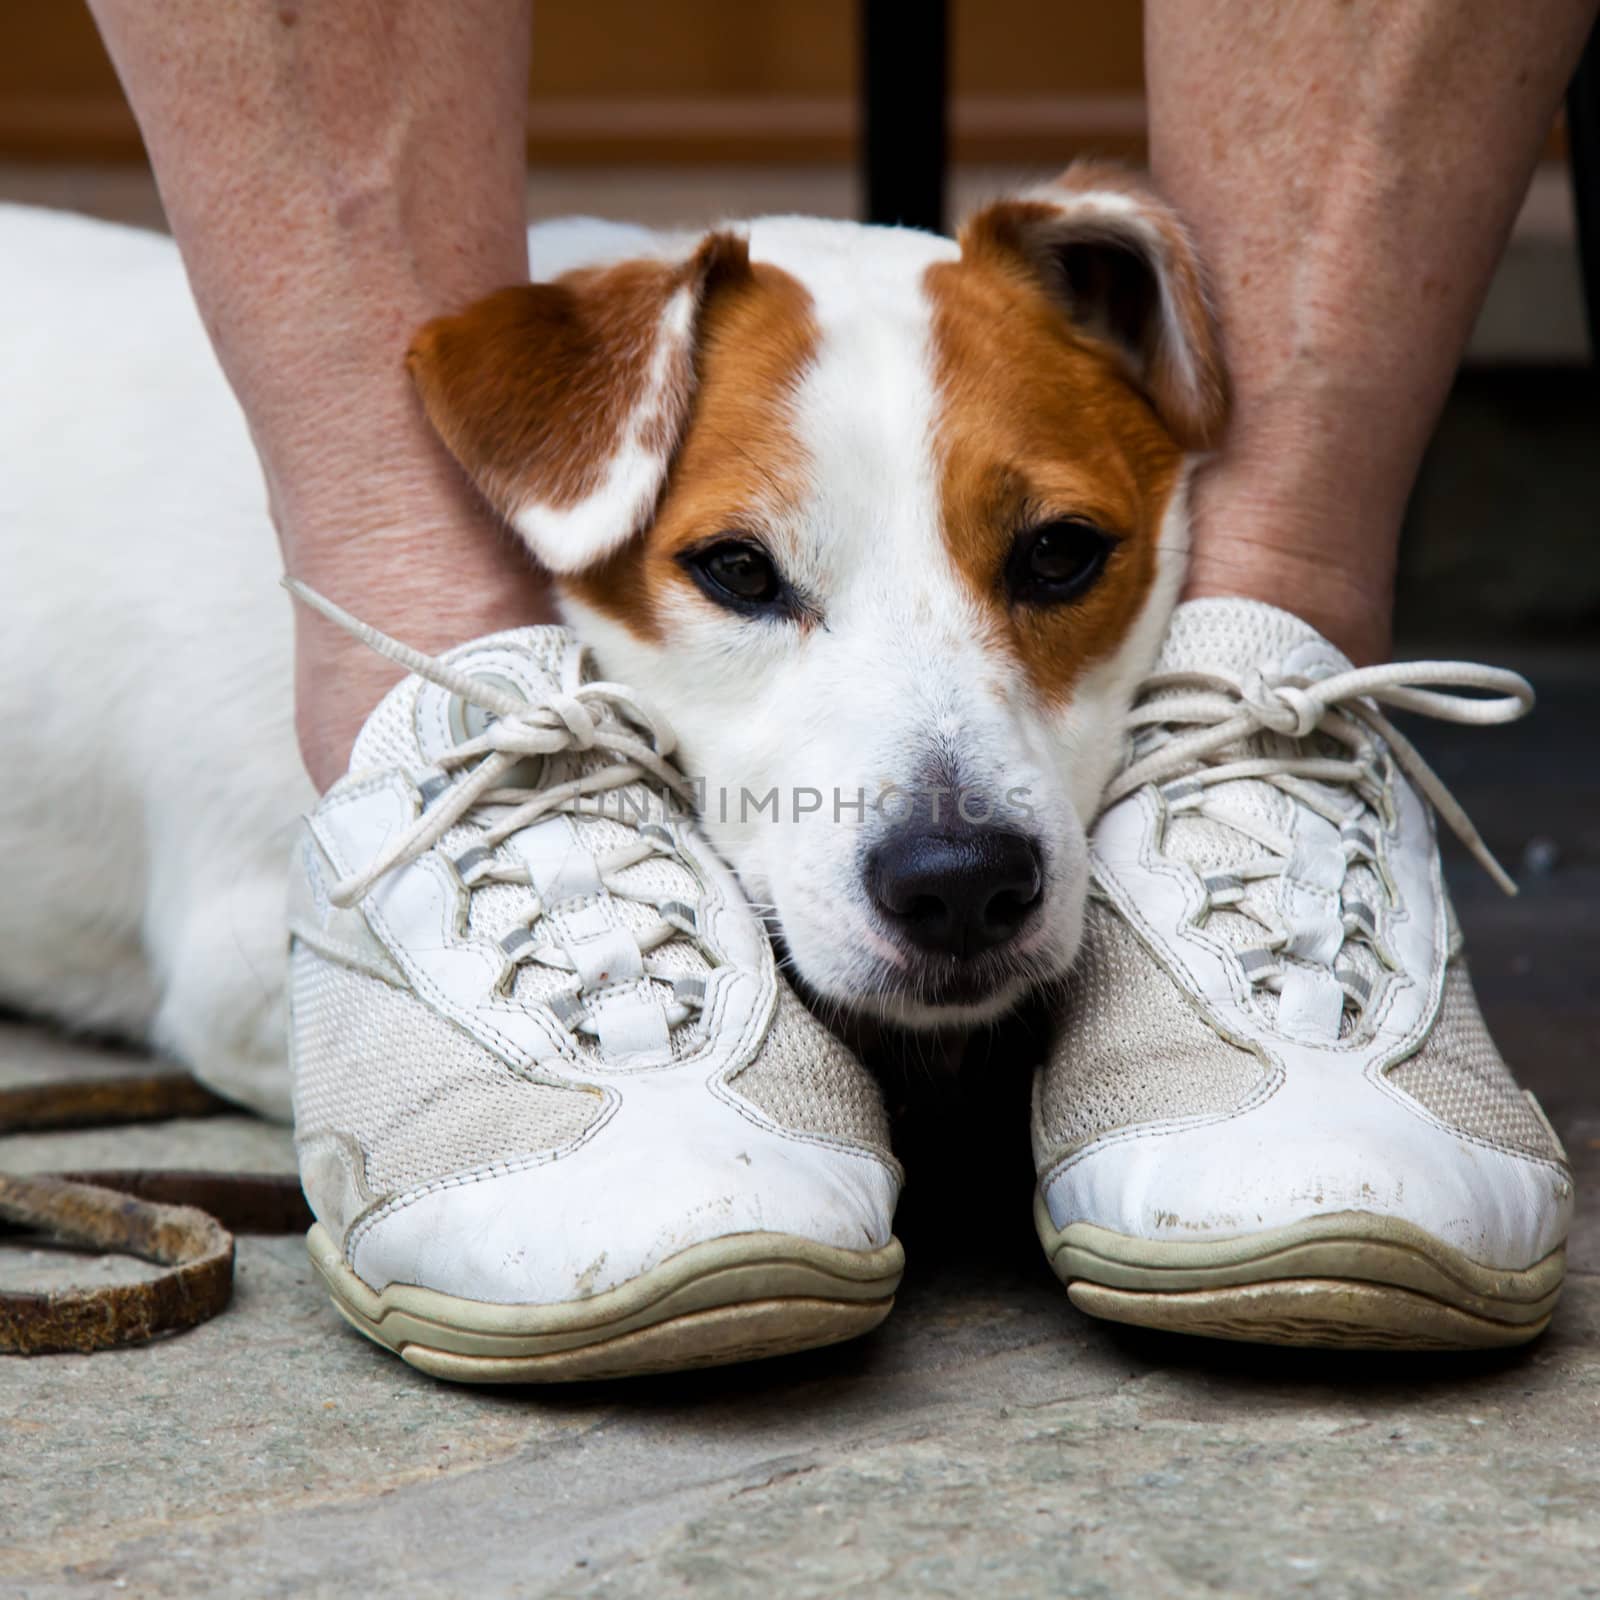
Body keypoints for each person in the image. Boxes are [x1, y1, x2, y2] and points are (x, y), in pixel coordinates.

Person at [86, 0, 1597, 1361]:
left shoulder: (1090, 348)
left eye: (1057, 560)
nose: (954, 839)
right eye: (746, 577)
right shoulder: (599, 364)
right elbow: (233, 979)